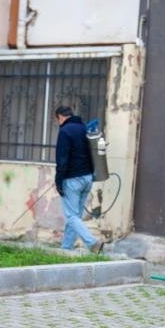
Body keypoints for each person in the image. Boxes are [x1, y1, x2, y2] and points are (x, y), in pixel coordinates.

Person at [54, 106, 103, 254]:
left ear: (60, 117)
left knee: (71, 216)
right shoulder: (84, 129)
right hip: (88, 178)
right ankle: (66, 249)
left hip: (72, 180)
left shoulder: (65, 131)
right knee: (75, 217)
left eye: (57, 120)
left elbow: (62, 158)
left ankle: (92, 242)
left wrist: (58, 180)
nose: (58, 123)